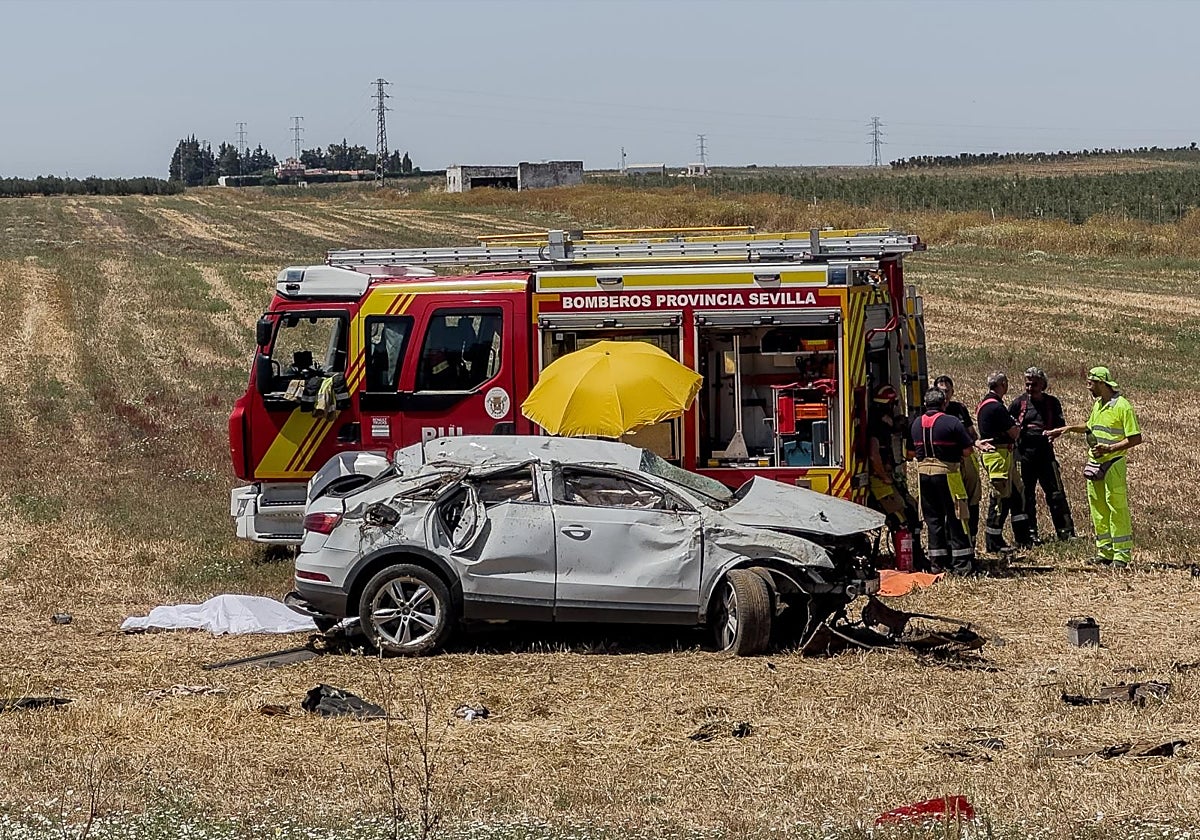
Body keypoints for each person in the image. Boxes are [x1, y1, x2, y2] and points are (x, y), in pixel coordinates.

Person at [1046, 366, 1142, 567]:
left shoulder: (1123, 406)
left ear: (1101, 383)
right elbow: (1090, 426)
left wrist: (1110, 448)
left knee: (1116, 508)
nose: (1089, 388)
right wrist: (1067, 429)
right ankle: (1105, 552)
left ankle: (1121, 556)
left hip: (1114, 463)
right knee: (1098, 508)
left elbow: (1135, 438)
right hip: (1095, 463)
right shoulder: (1099, 404)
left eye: (1091, 384)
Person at [911, 388, 993, 575]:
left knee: (933, 520)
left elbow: (910, 453)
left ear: (926, 404)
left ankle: (937, 564)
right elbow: (967, 451)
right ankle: (962, 564)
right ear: (944, 404)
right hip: (948, 474)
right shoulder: (952, 422)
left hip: (923, 475)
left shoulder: (916, 423)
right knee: (957, 518)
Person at [1009, 366, 1076, 542]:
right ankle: (1030, 533)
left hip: (1046, 455)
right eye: (1027, 384)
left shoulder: (1052, 403)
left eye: (1034, 384)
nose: (1030, 388)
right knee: (1027, 496)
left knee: (1056, 494)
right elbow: (1008, 427)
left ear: (1043, 385)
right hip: (1025, 456)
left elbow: (1060, 425)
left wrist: (1053, 433)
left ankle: (1065, 532)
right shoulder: (1019, 404)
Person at [867, 384, 927, 570]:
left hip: (887, 479)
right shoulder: (878, 426)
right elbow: (873, 454)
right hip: (880, 483)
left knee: (911, 508)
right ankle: (908, 562)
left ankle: (916, 557)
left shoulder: (882, 424)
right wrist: (884, 476)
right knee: (901, 520)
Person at [976, 372, 1034, 553]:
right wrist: (1017, 425)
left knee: (1017, 493)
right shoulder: (996, 407)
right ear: (1002, 384)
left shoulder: (987, 404)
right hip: (997, 456)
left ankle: (1023, 536)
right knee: (999, 499)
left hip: (1004, 455)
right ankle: (993, 541)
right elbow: (1014, 433)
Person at [934, 374, 982, 546]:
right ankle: (953, 541)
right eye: (941, 392)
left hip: (967, 458)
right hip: (948, 463)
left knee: (973, 499)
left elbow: (971, 433)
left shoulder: (959, 408)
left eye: (947, 391)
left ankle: (972, 538)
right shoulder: (933, 412)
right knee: (953, 504)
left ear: (953, 392)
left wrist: (975, 442)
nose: (945, 395)